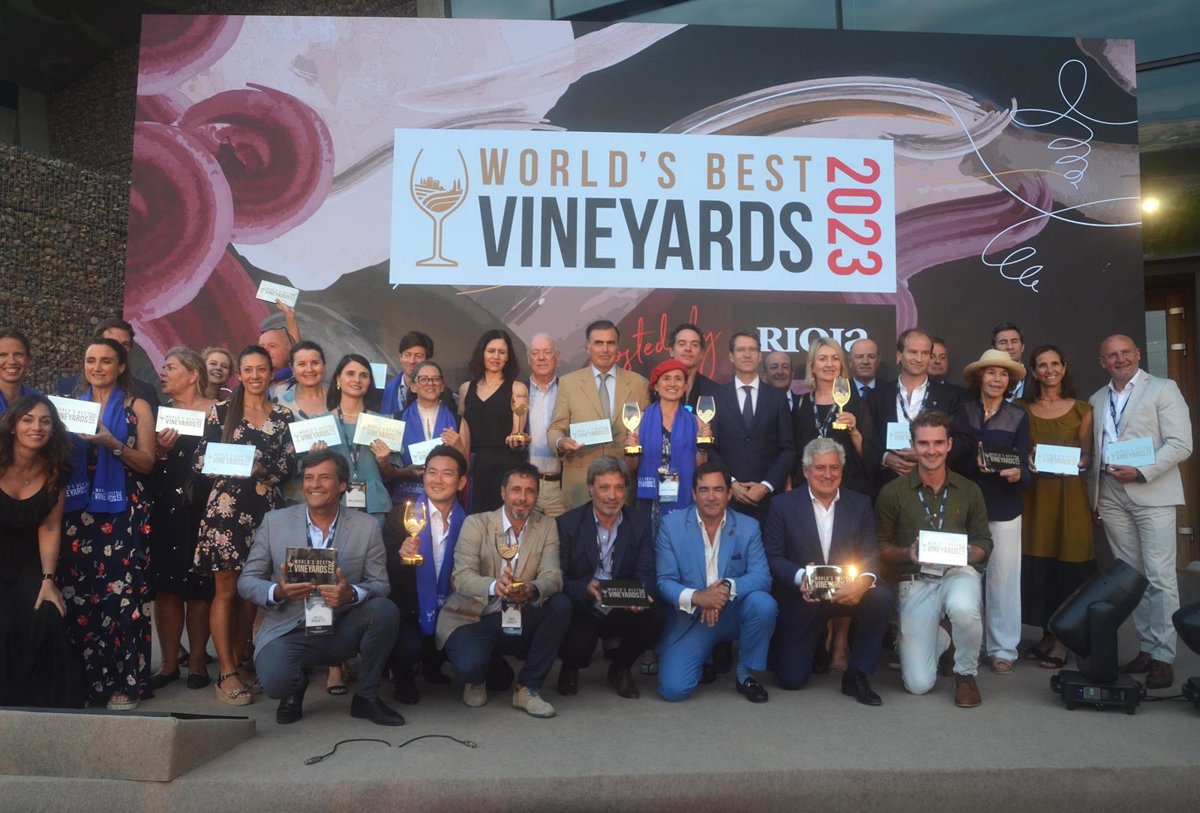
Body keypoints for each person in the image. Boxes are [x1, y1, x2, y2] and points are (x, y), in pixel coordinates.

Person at [238, 449, 404, 726]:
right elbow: (246, 581)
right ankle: (295, 687)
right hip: (290, 627)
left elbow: (381, 584)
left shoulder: (366, 527)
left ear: (342, 485)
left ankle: (366, 697)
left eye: (324, 477)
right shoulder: (274, 522)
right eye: (309, 477)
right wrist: (277, 591)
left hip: (342, 625)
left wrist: (350, 594)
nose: (314, 484)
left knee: (384, 611)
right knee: (275, 683)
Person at [1089, 334, 1193, 689]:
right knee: (1132, 578)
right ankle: (1147, 648)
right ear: (1102, 361)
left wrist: (1141, 470)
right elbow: (1098, 448)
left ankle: (1164, 656)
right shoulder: (1097, 399)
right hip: (1111, 496)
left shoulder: (1164, 389)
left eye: (1125, 353)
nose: (1120, 359)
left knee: (1160, 576)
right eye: (1111, 355)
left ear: (1137, 354)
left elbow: (1181, 444)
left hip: (1152, 491)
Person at [194, 345, 295, 706]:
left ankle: (240, 660)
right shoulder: (221, 411)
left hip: (267, 511)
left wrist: (262, 468)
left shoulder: (283, 416)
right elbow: (200, 460)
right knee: (226, 591)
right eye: (248, 369)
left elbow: (288, 466)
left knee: (253, 591)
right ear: (240, 374)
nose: (255, 376)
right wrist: (231, 464)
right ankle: (226, 673)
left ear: (271, 373)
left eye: (261, 369)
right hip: (226, 510)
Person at [58, 338, 157, 710]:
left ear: (121, 366)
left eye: (105, 361)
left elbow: (147, 462)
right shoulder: (69, 407)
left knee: (122, 596)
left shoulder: (137, 406)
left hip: (122, 511)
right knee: (79, 596)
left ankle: (125, 682)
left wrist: (112, 443)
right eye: (91, 361)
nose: (97, 367)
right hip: (76, 512)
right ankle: (86, 682)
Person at [764, 438, 893, 705]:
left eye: (834, 467)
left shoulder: (860, 503)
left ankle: (857, 674)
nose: (827, 474)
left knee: (881, 596)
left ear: (842, 470)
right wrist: (801, 578)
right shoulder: (782, 505)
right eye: (820, 467)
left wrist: (863, 582)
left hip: (847, 592)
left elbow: (870, 553)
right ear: (805, 470)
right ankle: (817, 640)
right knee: (791, 680)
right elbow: (773, 557)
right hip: (803, 598)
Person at [876, 412, 992, 707]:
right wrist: (908, 553)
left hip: (957, 572)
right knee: (918, 684)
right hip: (915, 580)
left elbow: (984, 542)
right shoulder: (892, 492)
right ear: (913, 445)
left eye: (938, 443)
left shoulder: (969, 490)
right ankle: (942, 637)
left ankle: (965, 674)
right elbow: (882, 548)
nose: (931, 450)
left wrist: (969, 552)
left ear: (949, 444)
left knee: (964, 608)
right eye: (924, 443)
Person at [437, 463, 571, 718]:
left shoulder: (546, 526)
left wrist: (531, 589)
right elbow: (460, 577)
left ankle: (527, 688)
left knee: (560, 605)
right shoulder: (477, 523)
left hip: (518, 614)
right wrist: (493, 585)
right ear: (503, 493)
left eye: (530, 491)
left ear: (537, 495)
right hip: (474, 616)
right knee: (470, 668)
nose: (522, 497)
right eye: (516, 490)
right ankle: (477, 678)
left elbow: (553, 576)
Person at [655, 461, 777, 702]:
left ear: (729, 493)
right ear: (693, 493)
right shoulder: (671, 526)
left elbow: (762, 577)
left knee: (764, 604)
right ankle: (707, 656)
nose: (711, 497)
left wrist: (725, 589)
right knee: (673, 690)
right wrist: (699, 597)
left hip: (732, 611)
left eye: (718, 489)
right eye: (704, 490)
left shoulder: (748, 527)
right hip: (693, 616)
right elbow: (665, 582)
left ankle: (745, 674)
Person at [0, 394, 85, 708]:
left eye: (45, 421)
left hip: (27, 559)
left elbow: (49, 527)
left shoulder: (55, 471)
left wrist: (48, 580)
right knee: (4, 622)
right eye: (28, 420)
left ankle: (44, 708)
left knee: (46, 613)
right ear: (13, 426)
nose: (36, 427)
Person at [556, 456, 664, 699]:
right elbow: (559, 579)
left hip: (621, 601)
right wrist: (584, 588)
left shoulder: (639, 522)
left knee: (656, 611)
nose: (612, 496)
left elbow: (646, 571)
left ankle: (620, 668)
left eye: (619, 487)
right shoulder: (568, 524)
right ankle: (570, 667)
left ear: (626, 490)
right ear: (590, 489)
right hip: (584, 603)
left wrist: (640, 595)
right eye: (604, 487)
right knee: (565, 617)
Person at [1020, 344, 1094, 669]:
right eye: (1042, 365)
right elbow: (1017, 449)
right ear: (1033, 371)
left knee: (1069, 566)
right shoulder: (1021, 408)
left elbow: (1087, 456)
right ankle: (1047, 634)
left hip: (1069, 497)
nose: (1049, 370)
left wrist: (1079, 462)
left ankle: (1063, 641)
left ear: (1064, 368)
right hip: (1035, 497)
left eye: (1055, 364)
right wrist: (1026, 458)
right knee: (1040, 568)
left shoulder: (1082, 409)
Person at [957, 349, 1030, 674]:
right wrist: (974, 462)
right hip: (966, 506)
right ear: (979, 377)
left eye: (1003, 374)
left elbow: (1025, 464)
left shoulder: (1018, 416)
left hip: (1004, 505)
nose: (997, 379)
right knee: (966, 578)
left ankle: (1003, 648)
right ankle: (971, 646)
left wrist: (1018, 474)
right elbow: (952, 458)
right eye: (991, 373)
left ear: (1009, 381)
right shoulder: (963, 412)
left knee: (1003, 579)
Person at [147, 348, 215, 691]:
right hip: (165, 507)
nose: (163, 372)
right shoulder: (158, 414)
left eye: (170, 367)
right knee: (167, 588)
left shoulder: (219, 412)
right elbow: (146, 461)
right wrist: (159, 449)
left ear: (193, 374)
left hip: (206, 508)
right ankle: (170, 664)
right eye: (162, 367)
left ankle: (199, 663)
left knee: (200, 588)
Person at [383, 445, 468, 705]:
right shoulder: (401, 516)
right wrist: (401, 555)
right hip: (409, 610)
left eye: (447, 474)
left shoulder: (470, 522)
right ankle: (402, 673)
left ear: (461, 482)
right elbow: (383, 568)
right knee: (408, 645)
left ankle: (434, 664)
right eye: (432, 472)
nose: (437, 480)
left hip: (453, 608)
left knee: (493, 673)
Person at [548, 320, 650, 510]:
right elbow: (555, 429)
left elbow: (649, 432)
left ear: (618, 347)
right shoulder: (568, 384)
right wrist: (561, 443)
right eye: (598, 343)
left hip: (622, 485)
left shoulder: (639, 384)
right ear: (587, 347)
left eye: (610, 343)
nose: (605, 349)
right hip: (580, 486)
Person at [864, 328, 968, 495]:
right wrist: (885, 458)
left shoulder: (949, 396)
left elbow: (963, 440)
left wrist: (927, 454)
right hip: (888, 486)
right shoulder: (878, 395)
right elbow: (867, 438)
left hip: (936, 489)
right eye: (913, 352)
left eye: (925, 353)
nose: (919, 359)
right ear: (899, 355)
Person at [709, 331, 795, 523]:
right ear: (731, 356)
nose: (747, 355)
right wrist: (731, 483)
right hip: (728, 498)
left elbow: (788, 449)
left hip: (769, 501)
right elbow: (711, 448)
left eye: (752, 350)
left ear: (760, 355)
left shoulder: (777, 397)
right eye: (741, 350)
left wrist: (765, 485)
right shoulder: (716, 396)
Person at [627, 358, 711, 539]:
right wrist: (631, 450)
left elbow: (701, 467)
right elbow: (631, 467)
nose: (672, 383)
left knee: (678, 547)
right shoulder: (639, 420)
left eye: (678, 379)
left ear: (685, 386)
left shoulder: (697, 421)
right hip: (650, 501)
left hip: (684, 497)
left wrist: (703, 447)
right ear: (656, 386)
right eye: (666, 378)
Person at [458, 329, 529, 514]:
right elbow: (462, 431)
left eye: (502, 352)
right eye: (491, 351)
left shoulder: (517, 388)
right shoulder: (466, 389)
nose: (496, 357)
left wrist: (518, 440)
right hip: (473, 468)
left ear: (508, 357)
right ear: (482, 353)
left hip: (505, 466)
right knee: (473, 521)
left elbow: (517, 433)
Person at [793, 336, 869, 496]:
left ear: (841, 365)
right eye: (822, 359)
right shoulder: (800, 403)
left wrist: (854, 432)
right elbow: (792, 452)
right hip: (806, 491)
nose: (829, 364)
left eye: (835, 358)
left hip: (848, 489)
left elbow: (870, 455)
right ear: (812, 366)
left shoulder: (857, 402)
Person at [393, 360, 465, 507]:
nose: (430, 383)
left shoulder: (458, 421)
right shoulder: (397, 419)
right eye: (424, 379)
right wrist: (405, 472)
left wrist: (459, 447)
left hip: (445, 500)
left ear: (442, 386)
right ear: (413, 386)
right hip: (405, 499)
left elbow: (466, 469)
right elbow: (387, 471)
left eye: (435, 379)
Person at [56, 317, 161, 412]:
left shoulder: (145, 392)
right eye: (112, 343)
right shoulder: (66, 388)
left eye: (125, 344)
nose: (119, 349)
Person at [526, 333, 566, 517]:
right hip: (526, 485)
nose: (541, 358)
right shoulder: (516, 391)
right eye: (535, 353)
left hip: (561, 487)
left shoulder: (570, 390)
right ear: (529, 359)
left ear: (557, 356)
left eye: (547, 352)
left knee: (562, 534)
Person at [380, 331, 434, 413]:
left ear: (428, 360)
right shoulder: (385, 389)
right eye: (407, 355)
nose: (412, 361)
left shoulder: (438, 392)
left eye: (418, 356)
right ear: (400, 357)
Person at [668, 322, 719, 409]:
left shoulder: (714, 391)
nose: (688, 349)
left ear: (701, 353)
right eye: (682, 344)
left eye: (694, 345)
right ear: (671, 351)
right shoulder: (659, 389)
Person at [0, 328, 39, 413]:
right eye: (2, 355)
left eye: (18, 354)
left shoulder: (38, 400)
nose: (12, 361)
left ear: (28, 360)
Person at [992, 321, 1032, 401]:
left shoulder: (1036, 379)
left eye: (1014, 341)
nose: (1010, 347)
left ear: (1022, 347)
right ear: (994, 349)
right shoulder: (986, 381)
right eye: (1003, 342)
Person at [763, 350, 796, 414]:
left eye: (785, 367)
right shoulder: (756, 404)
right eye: (774, 367)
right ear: (764, 374)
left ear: (792, 373)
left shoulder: (804, 404)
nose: (780, 372)